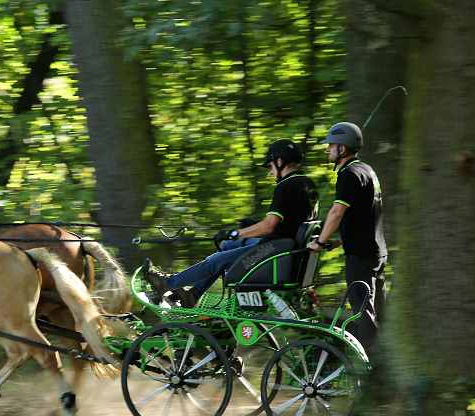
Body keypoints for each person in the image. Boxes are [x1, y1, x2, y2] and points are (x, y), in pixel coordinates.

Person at [144, 139, 319, 307]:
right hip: (287, 249)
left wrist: (236, 233)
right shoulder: (307, 184)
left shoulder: (286, 186)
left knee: (216, 261)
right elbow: (293, 222)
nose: (271, 172)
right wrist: (252, 225)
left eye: (270, 166)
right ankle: (192, 295)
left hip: (274, 251)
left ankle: (167, 283)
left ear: (279, 162)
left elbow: (268, 226)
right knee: (228, 245)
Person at [308, 122, 387, 351]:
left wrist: (320, 241)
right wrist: (340, 241)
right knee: (381, 314)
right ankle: (385, 365)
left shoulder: (348, 173)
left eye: (331, 146)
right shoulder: (367, 170)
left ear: (342, 149)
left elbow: (336, 212)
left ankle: (371, 376)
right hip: (377, 252)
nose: (327, 150)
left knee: (364, 316)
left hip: (360, 257)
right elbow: (365, 214)